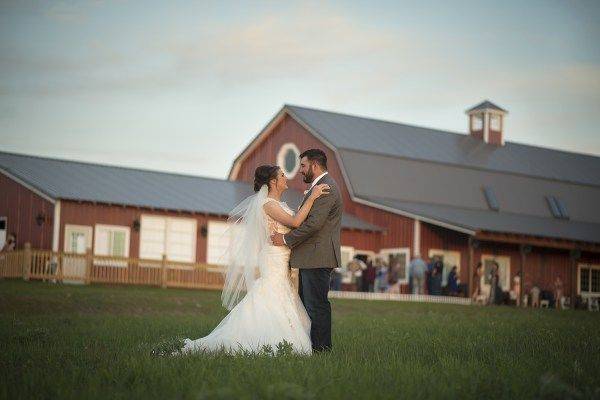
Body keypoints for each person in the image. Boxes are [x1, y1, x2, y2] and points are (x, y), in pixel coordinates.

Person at [177, 163, 331, 355]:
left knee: (282, 294)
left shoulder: (280, 205)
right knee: (272, 292)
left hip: (283, 257)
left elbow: (294, 222)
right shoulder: (268, 204)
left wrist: (307, 200)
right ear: (273, 182)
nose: (286, 178)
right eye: (282, 175)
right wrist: (313, 196)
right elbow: (295, 222)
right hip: (274, 257)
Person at [271, 149, 343, 353]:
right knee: (308, 306)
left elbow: (314, 225)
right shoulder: (318, 187)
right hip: (311, 256)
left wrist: (285, 239)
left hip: (317, 256)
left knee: (316, 306)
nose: (300, 170)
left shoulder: (326, 187)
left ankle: (321, 350)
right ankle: (310, 348)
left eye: (303, 166)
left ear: (314, 165)